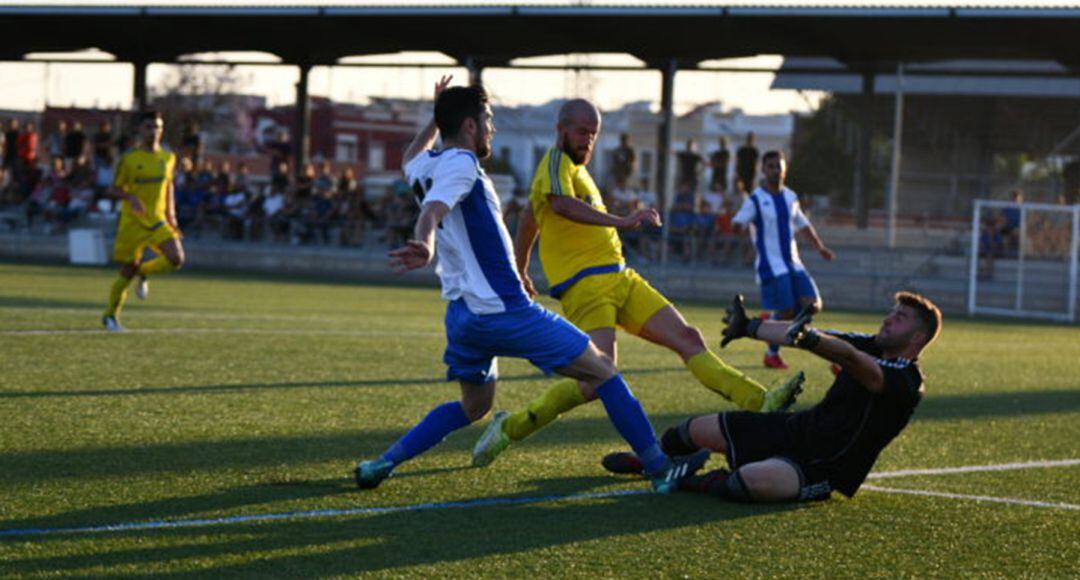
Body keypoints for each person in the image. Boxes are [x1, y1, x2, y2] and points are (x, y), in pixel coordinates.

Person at [355, 79, 708, 493]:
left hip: (463, 317)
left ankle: (382, 463)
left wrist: (438, 113)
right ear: (469, 126)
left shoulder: (424, 166)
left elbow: (410, 154)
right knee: (604, 372)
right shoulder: (460, 165)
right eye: (487, 120)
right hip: (503, 310)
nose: (492, 128)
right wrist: (426, 243)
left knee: (475, 407)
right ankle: (661, 469)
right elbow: (434, 211)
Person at [470, 99, 804, 469]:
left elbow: (531, 218)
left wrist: (520, 268)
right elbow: (559, 206)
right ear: (561, 129)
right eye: (582, 132)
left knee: (688, 338)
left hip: (621, 277)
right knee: (598, 378)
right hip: (585, 287)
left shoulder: (577, 173)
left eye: (593, 134)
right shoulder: (553, 164)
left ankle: (761, 403)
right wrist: (624, 221)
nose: (587, 141)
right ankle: (511, 427)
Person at [602, 291, 942, 503]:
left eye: (900, 317)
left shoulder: (906, 382)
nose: (888, 319)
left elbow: (849, 358)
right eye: (891, 312)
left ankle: (691, 480)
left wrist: (810, 340)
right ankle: (653, 459)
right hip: (795, 429)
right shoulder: (869, 342)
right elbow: (806, 335)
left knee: (748, 483)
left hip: (822, 466)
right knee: (691, 430)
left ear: (918, 336)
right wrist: (748, 327)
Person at [732, 150, 835, 369]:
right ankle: (772, 353)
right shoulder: (756, 200)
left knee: (812, 305)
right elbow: (738, 222)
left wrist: (820, 247)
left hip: (793, 263)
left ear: (784, 169)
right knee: (788, 312)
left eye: (779, 166)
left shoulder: (790, 196)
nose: (775, 171)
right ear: (763, 169)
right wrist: (737, 228)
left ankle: (770, 320)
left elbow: (803, 224)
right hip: (771, 266)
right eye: (771, 166)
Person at [100, 110, 184, 332]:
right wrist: (130, 197)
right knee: (127, 270)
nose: (153, 131)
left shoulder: (168, 158)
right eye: (149, 127)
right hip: (133, 222)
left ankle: (144, 271)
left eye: (157, 127)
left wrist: (172, 215)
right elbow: (113, 190)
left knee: (176, 258)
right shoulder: (129, 160)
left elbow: (169, 187)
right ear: (140, 130)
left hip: (157, 219)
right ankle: (110, 315)